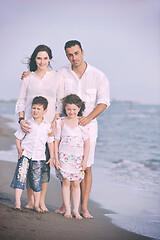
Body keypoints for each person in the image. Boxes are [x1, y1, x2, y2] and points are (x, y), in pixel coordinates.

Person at [55, 40, 110, 218]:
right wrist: (28, 74)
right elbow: (49, 84)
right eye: (70, 55)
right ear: (66, 56)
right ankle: (65, 206)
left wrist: (88, 118)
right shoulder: (62, 73)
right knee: (63, 165)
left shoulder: (98, 75)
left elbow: (104, 102)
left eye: (76, 53)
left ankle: (84, 207)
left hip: (88, 127)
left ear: (83, 52)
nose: (74, 58)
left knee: (85, 166)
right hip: (65, 127)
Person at [17, 45, 62, 212]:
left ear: (50, 58)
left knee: (44, 166)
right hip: (29, 126)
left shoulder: (57, 77)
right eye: (38, 58)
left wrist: (55, 122)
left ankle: (41, 202)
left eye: (45, 58)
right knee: (27, 164)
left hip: (47, 127)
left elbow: (59, 102)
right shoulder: (28, 77)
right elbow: (21, 100)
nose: (42, 61)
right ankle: (30, 201)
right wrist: (21, 120)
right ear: (34, 59)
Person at [10, 96, 54, 212]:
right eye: (34, 108)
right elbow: (18, 137)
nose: (35, 111)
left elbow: (50, 142)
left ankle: (36, 205)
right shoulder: (27, 123)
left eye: (39, 109)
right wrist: (19, 148)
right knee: (21, 177)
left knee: (36, 181)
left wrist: (52, 156)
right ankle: (18, 203)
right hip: (25, 154)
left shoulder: (47, 126)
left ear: (45, 111)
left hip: (39, 158)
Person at [55, 94, 90, 219]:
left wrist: (85, 161)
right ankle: (67, 210)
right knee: (66, 182)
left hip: (77, 158)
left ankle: (76, 210)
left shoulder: (82, 123)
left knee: (76, 183)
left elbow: (87, 143)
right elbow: (56, 141)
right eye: (69, 109)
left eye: (74, 109)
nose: (71, 112)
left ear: (79, 109)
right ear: (65, 108)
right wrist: (56, 159)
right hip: (64, 157)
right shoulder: (61, 122)